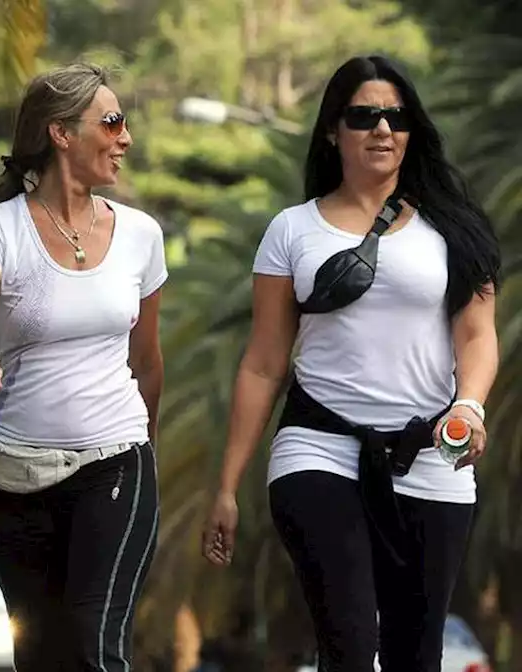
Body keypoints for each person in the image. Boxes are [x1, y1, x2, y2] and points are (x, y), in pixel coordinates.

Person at [202, 54, 500, 672]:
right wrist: (227, 487)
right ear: (332, 130)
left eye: (396, 117)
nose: (382, 130)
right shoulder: (292, 231)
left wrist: (468, 406)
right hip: (318, 449)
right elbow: (262, 364)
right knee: (349, 640)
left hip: (430, 456)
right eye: (364, 117)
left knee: (415, 654)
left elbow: (477, 336)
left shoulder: (455, 231)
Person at [0, 62, 167, 671]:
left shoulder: (140, 236)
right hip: (14, 480)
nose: (125, 137)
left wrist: (144, 460)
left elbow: (147, 362)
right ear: (61, 133)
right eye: (112, 121)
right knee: (40, 656)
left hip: (115, 461)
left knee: (93, 647)